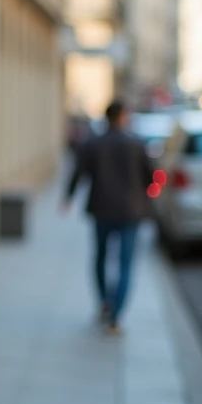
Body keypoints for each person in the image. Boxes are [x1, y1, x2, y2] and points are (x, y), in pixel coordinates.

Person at [63, 99, 153, 336]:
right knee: (125, 264)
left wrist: (68, 197)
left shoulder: (93, 143)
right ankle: (116, 316)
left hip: (102, 209)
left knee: (101, 258)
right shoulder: (137, 144)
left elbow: (79, 172)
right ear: (123, 117)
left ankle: (104, 302)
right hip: (130, 212)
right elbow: (150, 177)